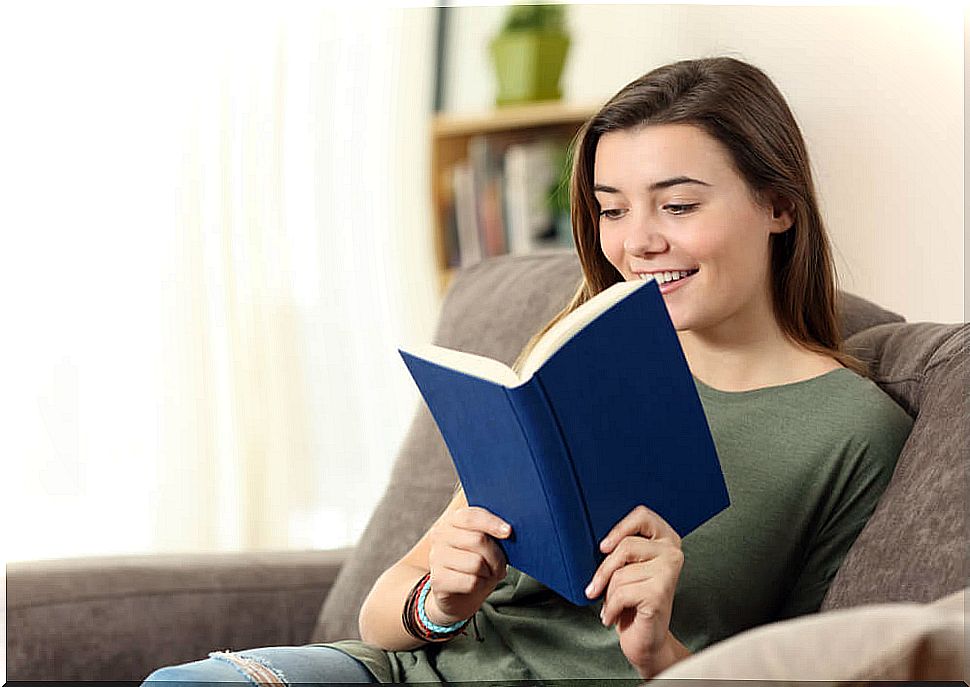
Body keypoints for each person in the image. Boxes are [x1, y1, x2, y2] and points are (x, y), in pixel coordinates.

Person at [142, 55, 913, 686]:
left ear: (778, 204)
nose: (637, 241)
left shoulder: (852, 430)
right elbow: (382, 613)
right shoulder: (575, 360)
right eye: (612, 209)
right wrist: (441, 600)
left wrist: (661, 658)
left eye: (676, 205)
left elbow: (823, 666)